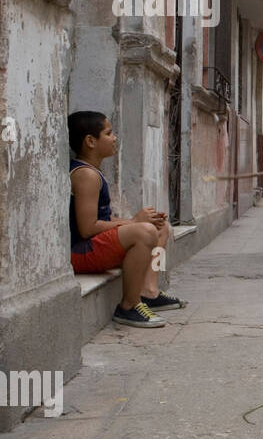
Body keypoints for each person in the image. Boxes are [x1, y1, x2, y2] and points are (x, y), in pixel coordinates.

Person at [68, 111, 187, 328]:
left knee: (161, 228)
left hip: (92, 246)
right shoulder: (86, 175)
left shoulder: (93, 172)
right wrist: (134, 222)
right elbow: (87, 228)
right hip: (79, 252)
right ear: (90, 141)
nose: (115, 138)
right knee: (145, 232)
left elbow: (102, 219)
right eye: (109, 133)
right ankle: (128, 306)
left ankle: (149, 292)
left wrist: (140, 220)